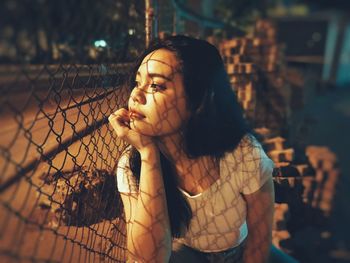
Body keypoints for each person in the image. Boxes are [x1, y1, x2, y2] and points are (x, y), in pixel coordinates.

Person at [108, 35, 295, 263]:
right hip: (185, 254)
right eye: (138, 82)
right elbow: (147, 259)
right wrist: (148, 155)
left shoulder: (241, 151)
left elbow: (259, 236)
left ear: (196, 101)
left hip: (241, 251)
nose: (135, 95)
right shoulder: (132, 164)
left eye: (156, 85)